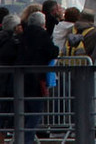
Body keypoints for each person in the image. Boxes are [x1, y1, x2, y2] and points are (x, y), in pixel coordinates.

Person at [17, 12, 57, 144]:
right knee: (36, 111)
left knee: (23, 112)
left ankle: (21, 138)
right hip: (37, 78)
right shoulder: (42, 35)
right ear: (42, 23)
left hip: (21, 77)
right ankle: (27, 140)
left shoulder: (23, 35)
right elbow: (52, 51)